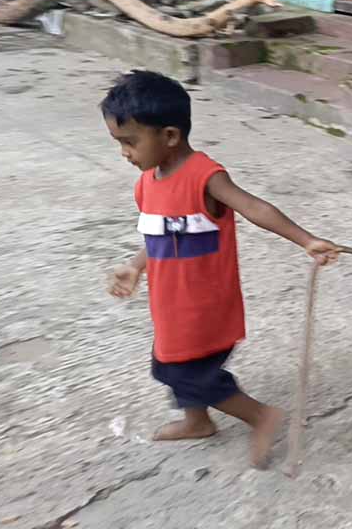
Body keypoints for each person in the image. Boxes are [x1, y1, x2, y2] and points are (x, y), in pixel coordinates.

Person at [101, 70, 339, 468]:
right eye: (119, 143)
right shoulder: (147, 184)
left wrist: (307, 240)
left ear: (170, 136)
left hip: (204, 306)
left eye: (130, 141)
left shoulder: (205, 177)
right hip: (171, 304)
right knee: (168, 364)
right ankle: (197, 420)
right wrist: (136, 266)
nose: (125, 152)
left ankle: (261, 416)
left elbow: (256, 209)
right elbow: (161, 236)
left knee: (188, 372)